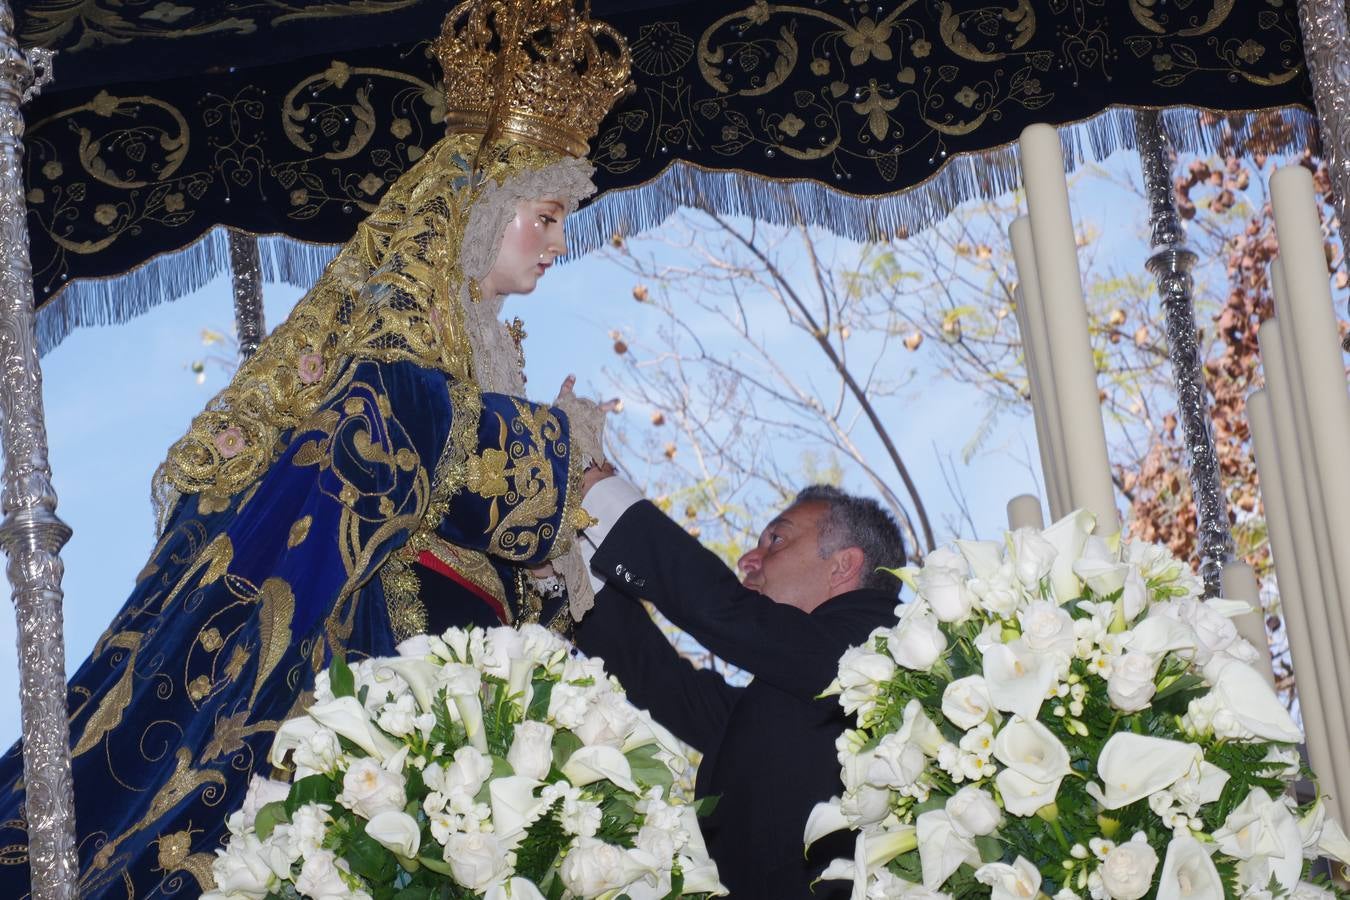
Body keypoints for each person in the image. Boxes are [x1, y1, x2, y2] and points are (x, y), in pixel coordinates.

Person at [0, 3, 630, 897]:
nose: (561, 244)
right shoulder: (398, 347)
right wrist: (556, 447)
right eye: (548, 215)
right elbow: (395, 424)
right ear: (481, 211)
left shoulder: (490, 358)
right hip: (373, 679)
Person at [573, 471, 907, 899]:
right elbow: (665, 684)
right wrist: (567, 566)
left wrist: (601, 498)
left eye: (777, 541)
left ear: (843, 565)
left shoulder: (882, 642)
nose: (749, 558)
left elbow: (726, 612)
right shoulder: (797, 703)